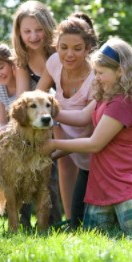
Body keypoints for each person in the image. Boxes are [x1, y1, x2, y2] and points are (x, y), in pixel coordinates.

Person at [42, 37, 132, 235]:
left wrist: (53, 144)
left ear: (120, 72)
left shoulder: (123, 102)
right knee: (94, 235)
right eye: (95, 72)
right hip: (104, 178)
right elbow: (82, 116)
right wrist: (48, 111)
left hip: (128, 177)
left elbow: (94, 144)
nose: (96, 78)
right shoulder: (106, 94)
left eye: (100, 73)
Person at [37, 13, 98, 230]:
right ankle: (72, 222)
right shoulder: (54, 62)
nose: (69, 54)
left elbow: (85, 120)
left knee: (98, 218)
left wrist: (50, 113)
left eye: (77, 48)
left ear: (88, 48)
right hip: (65, 135)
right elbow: (37, 94)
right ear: (56, 46)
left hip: (93, 147)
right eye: (63, 47)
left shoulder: (97, 78)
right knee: (65, 169)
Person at [11, 0, 62, 228]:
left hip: (64, 114)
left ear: (49, 28)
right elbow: (24, 96)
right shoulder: (22, 60)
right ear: (19, 34)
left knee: (53, 165)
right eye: (27, 31)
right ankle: (23, 219)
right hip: (42, 119)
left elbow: (45, 91)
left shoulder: (60, 53)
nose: (33, 36)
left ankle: (58, 218)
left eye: (39, 30)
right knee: (24, 149)